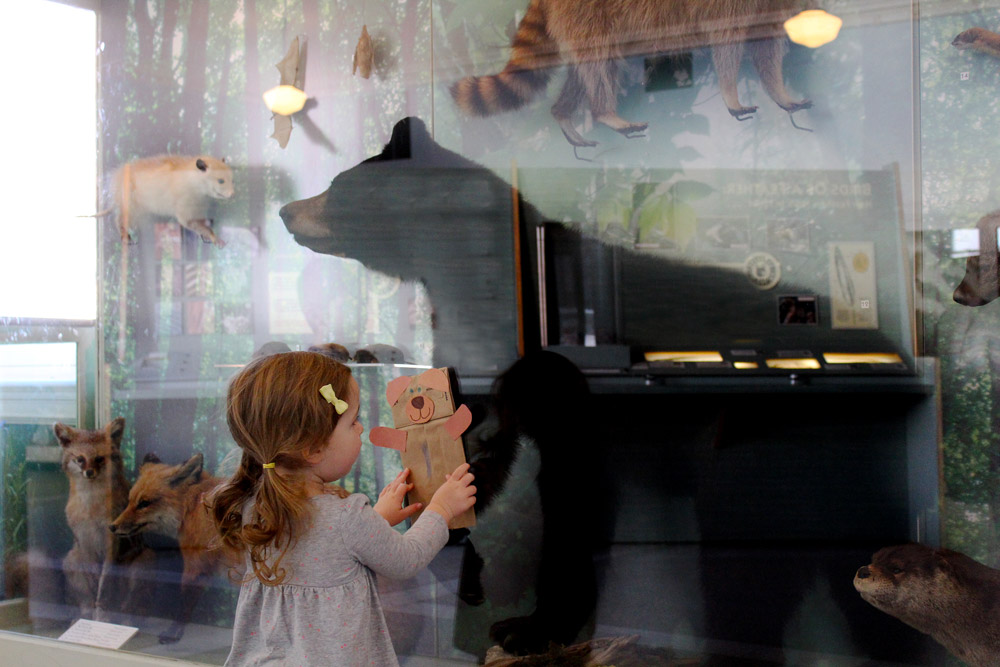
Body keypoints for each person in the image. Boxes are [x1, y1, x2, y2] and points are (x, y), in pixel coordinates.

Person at [210, 351, 476, 666]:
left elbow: (325, 550)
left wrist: (377, 521)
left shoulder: (255, 506)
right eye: (353, 421)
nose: (361, 429)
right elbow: (406, 560)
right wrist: (441, 509)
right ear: (313, 448)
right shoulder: (347, 515)